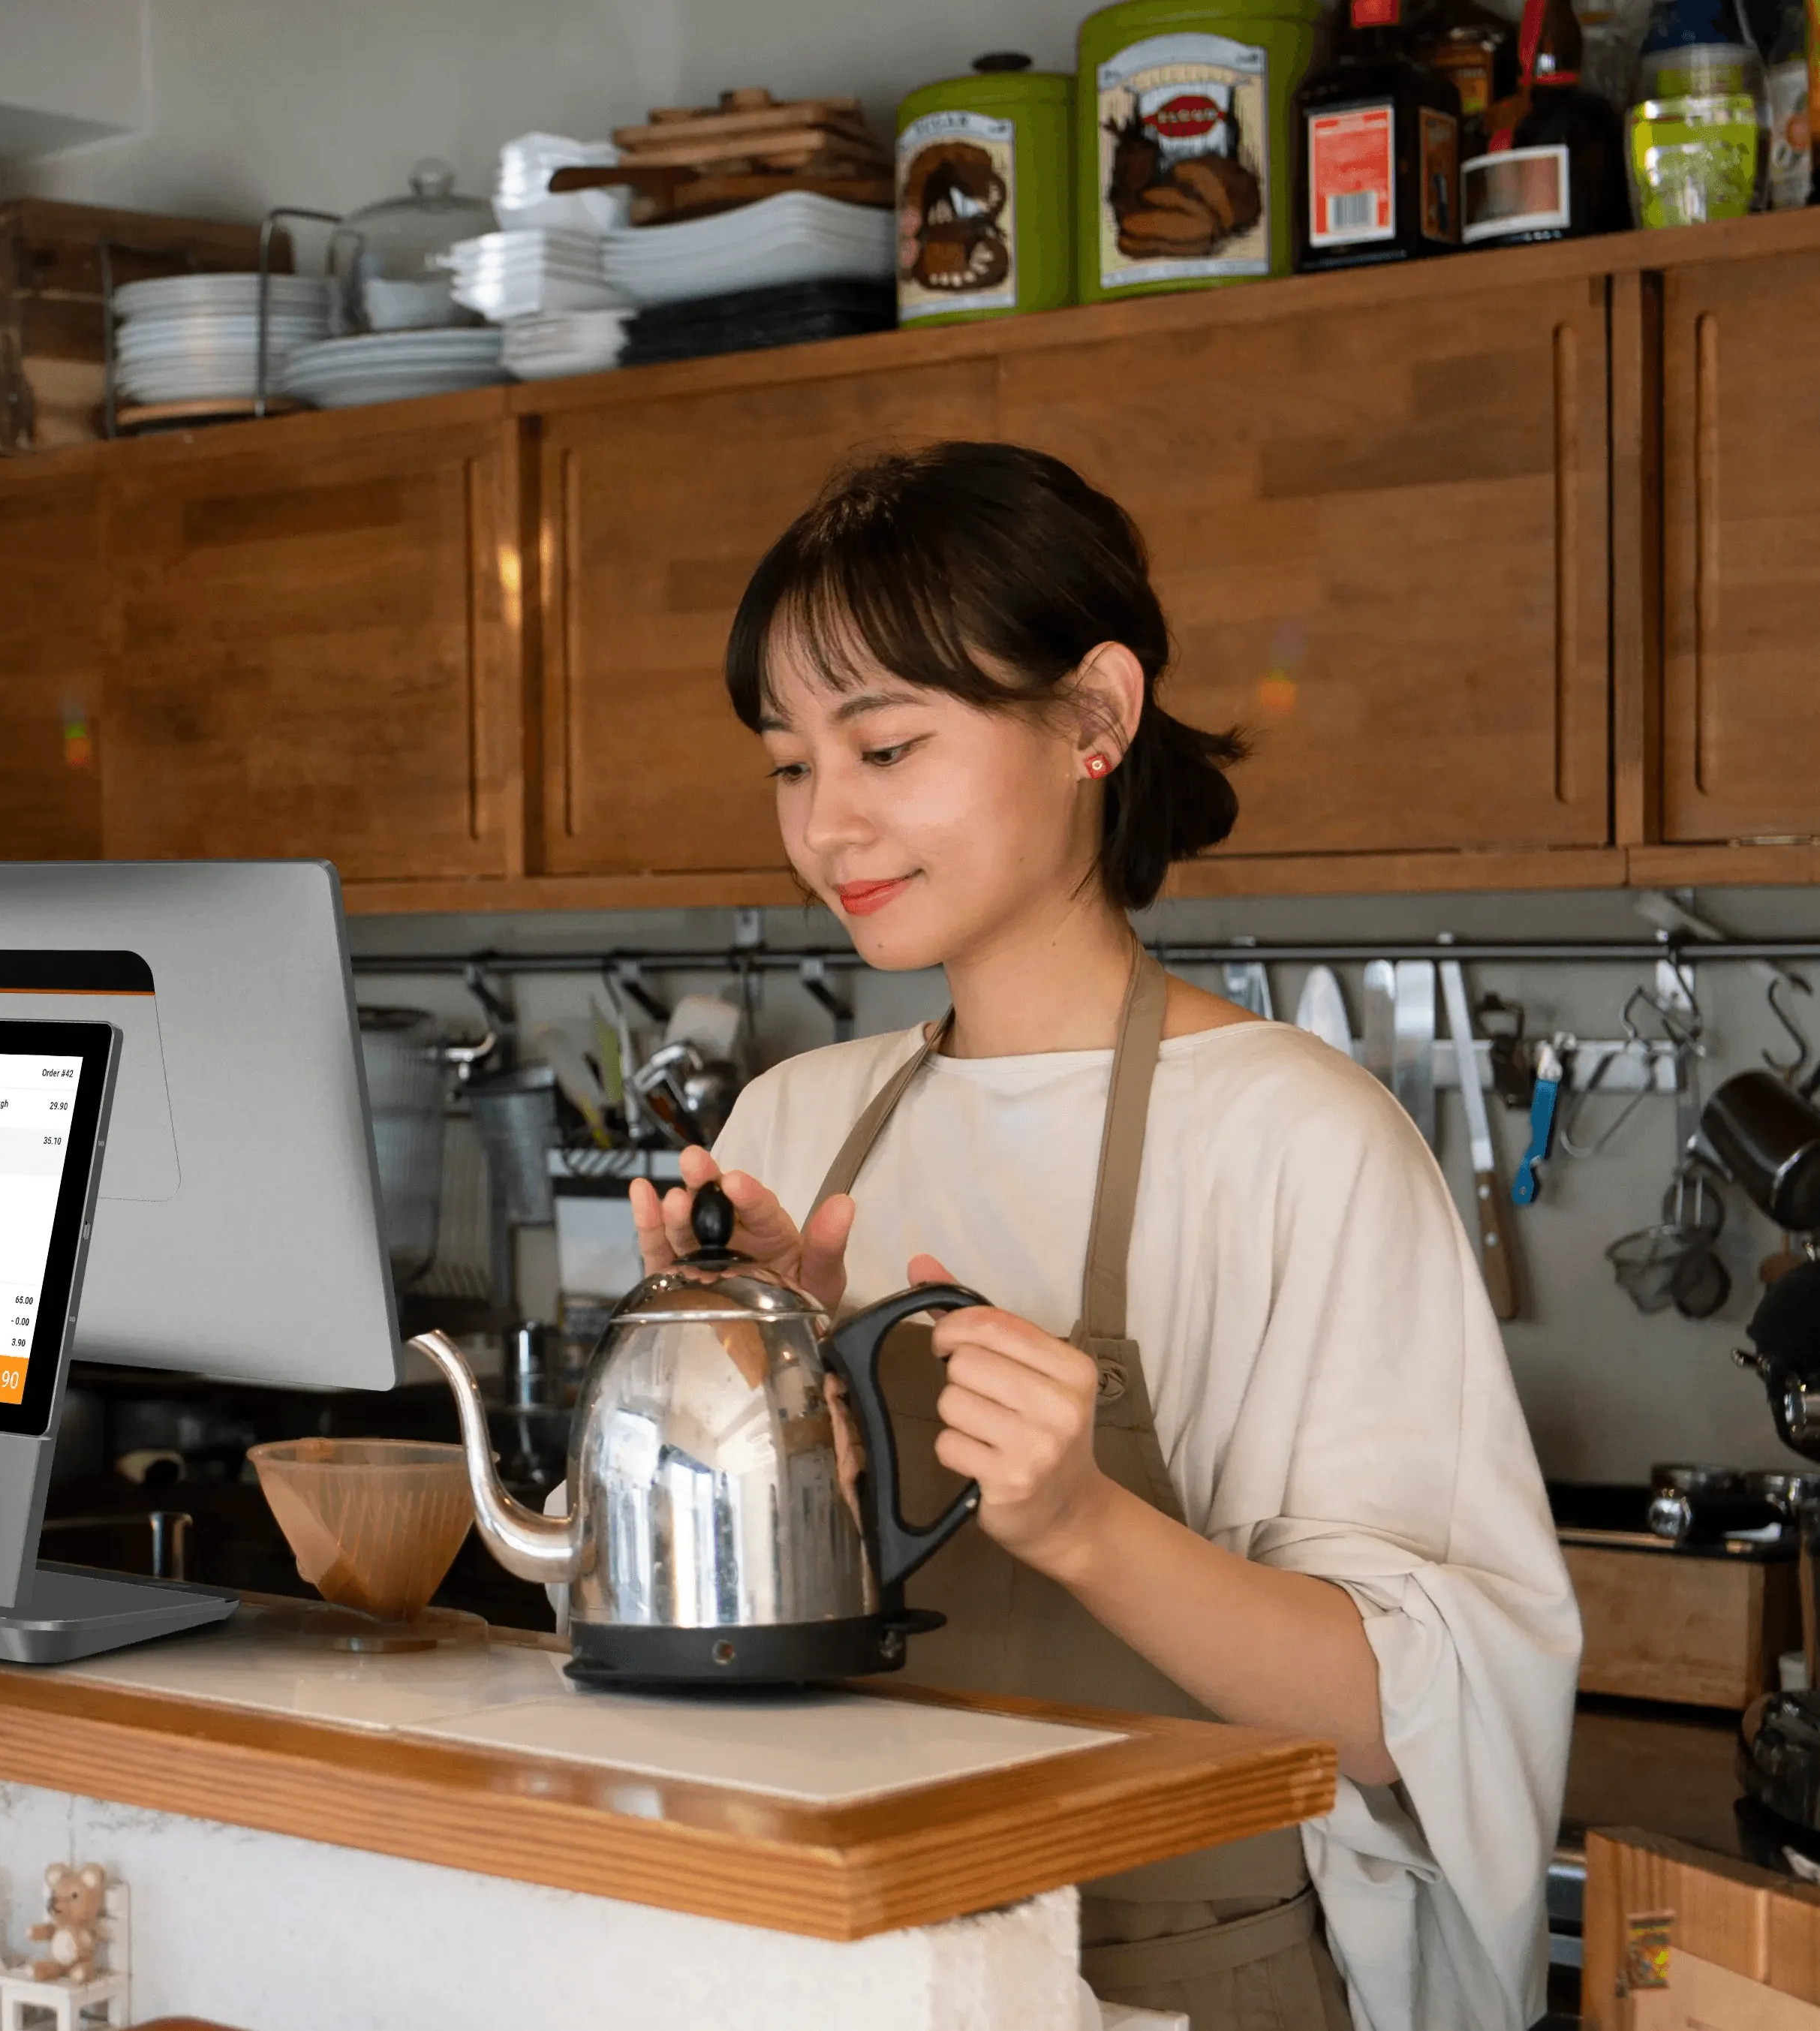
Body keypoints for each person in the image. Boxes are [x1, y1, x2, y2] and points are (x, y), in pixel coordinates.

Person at [626, 444, 1577, 2030]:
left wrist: (1079, 1523)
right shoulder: (791, 1124)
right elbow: (717, 1683)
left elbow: (1414, 1717)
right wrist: (739, 1431)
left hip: (1179, 1982)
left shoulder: (1297, 1137)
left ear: (1094, 717)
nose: (826, 827)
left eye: (886, 746)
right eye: (790, 765)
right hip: (834, 1963)